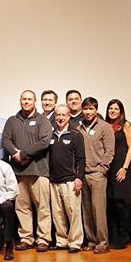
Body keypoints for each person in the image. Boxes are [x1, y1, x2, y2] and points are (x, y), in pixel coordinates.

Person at [2, 90, 53, 252]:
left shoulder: (43, 120)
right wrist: (15, 155)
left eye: (29, 99)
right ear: (20, 101)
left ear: (35, 101)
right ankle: (26, 238)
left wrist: (23, 154)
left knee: (43, 207)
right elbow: (6, 140)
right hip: (18, 172)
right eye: (24, 99)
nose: (26, 101)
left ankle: (44, 239)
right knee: (22, 207)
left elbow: (44, 142)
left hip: (38, 171)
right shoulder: (12, 121)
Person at [78, 97, 115, 253]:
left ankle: (103, 243)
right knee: (86, 211)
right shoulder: (78, 127)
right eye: (85, 109)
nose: (88, 112)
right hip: (83, 174)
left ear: (96, 110)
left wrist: (102, 169)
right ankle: (92, 241)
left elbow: (110, 151)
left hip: (97, 175)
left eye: (91, 109)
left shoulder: (104, 127)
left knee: (98, 210)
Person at [48, 105, 85, 254]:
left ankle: (75, 242)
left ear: (69, 116)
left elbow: (81, 159)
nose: (60, 118)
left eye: (64, 115)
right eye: (58, 115)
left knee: (73, 213)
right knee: (57, 214)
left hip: (70, 180)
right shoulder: (50, 135)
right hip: (53, 180)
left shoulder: (76, 135)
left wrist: (79, 178)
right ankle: (62, 241)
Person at [105, 99, 131, 249]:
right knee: (110, 204)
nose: (113, 111)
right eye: (110, 108)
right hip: (108, 168)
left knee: (120, 204)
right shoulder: (105, 125)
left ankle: (123, 238)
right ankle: (113, 237)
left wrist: (125, 167)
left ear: (121, 110)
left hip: (120, 167)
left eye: (116, 108)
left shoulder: (126, 125)